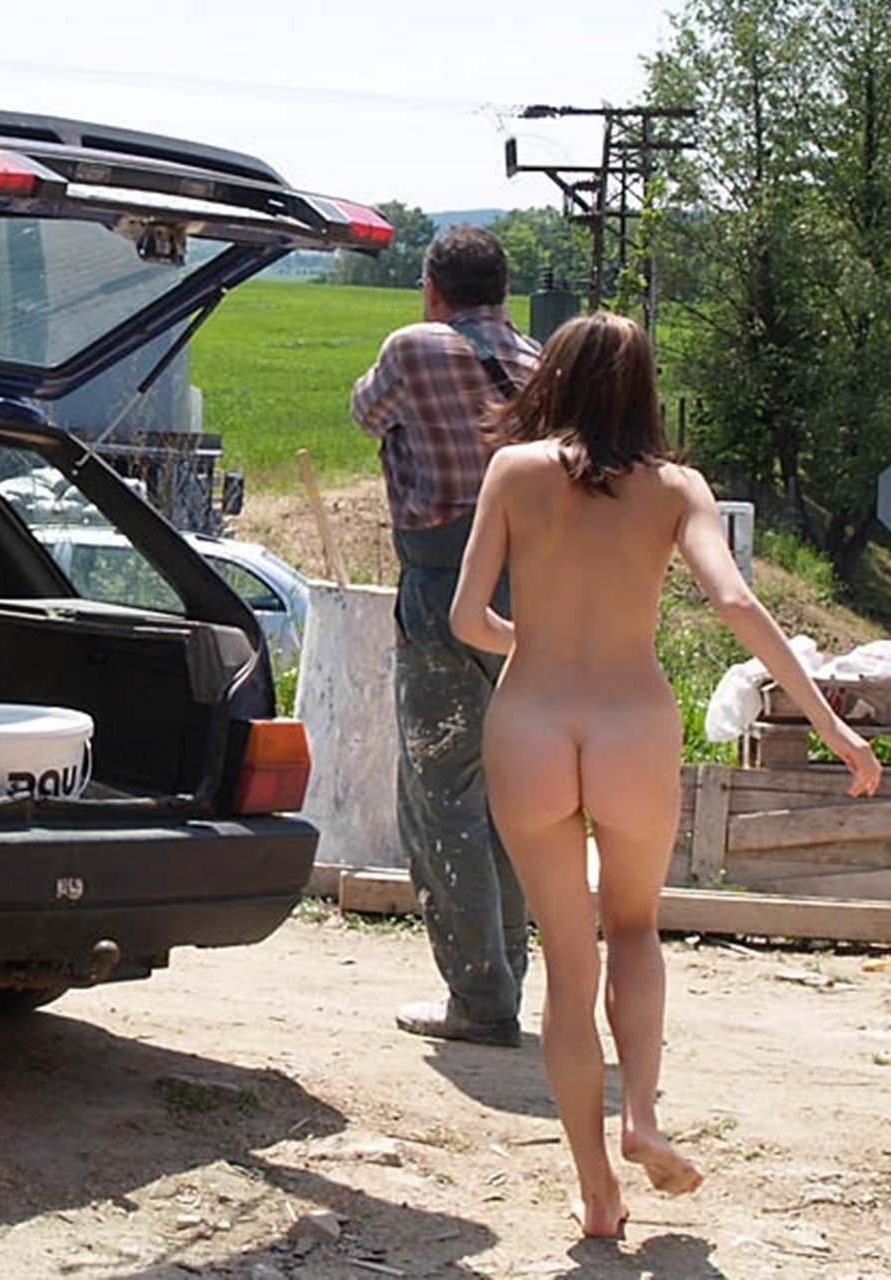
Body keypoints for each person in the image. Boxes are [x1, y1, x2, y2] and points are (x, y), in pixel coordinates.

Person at [450, 311, 881, 1236]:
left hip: (530, 724)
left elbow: (466, 618)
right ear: (644, 389)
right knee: (636, 927)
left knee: (568, 961)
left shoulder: (513, 471)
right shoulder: (678, 489)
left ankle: (597, 1192)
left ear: (553, 377)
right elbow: (736, 600)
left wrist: (539, 644)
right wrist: (831, 726)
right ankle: (641, 1114)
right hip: (633, 728)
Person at [349, 224, 543, 1048]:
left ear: (433, 289)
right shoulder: (539, 364)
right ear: (503, 291)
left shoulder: (415, 346)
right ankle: (506, 976)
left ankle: (480, 999)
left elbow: (365, 413)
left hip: (441, 584)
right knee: (511, 795)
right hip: (533, 599)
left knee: (443, 794)